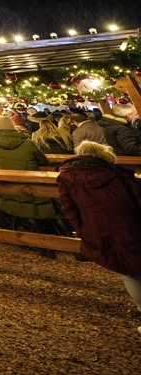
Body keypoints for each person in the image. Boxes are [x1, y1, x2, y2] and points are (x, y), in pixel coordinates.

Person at [56, 140, 141, 331]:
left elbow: (70, 211)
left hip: (99, 230)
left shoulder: (66, 177)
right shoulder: (119, 175)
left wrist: (85, 232)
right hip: (131, 226)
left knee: (129, 273)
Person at [0, 114, 65, 252]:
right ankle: (67, 241)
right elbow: (42, 160)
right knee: (51, 211)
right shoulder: (27, 142)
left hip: (10, 183)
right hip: (32, 182)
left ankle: (43, 246)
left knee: (23, 209)